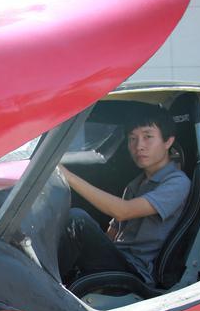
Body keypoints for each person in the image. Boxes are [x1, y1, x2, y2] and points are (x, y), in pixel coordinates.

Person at [58, 107, 190, 285]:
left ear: (168, 142)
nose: (139, 146)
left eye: (148, 137)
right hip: (117, 257)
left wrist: (67, 175)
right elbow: (112, 234)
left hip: (135, 270)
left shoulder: (177, 183)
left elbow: (123, 211)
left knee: (77, 220)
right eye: (132, 139)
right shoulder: (135, 185)